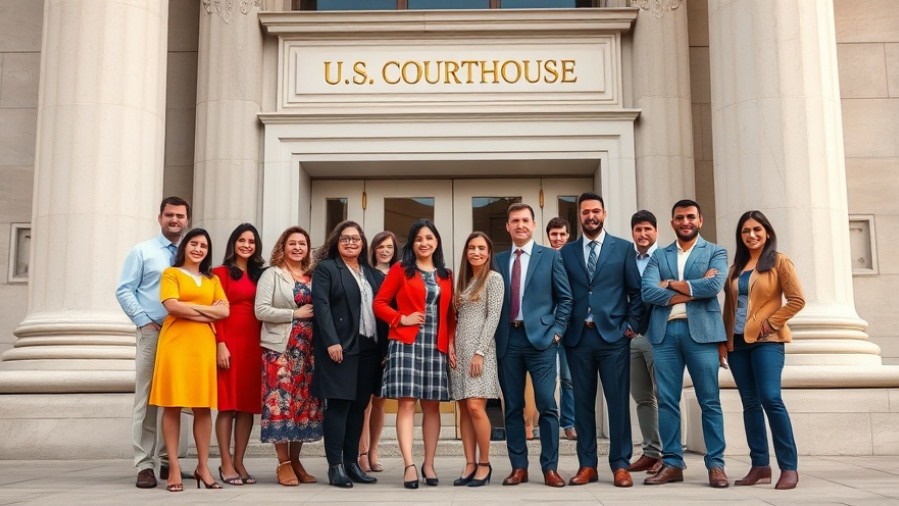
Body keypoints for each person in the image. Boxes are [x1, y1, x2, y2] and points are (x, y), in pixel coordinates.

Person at [641, 199, 730, 488]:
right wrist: (692, 290)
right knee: (667, 401)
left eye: (691, 216)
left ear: (700, 220)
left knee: (710, 401)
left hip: (702, 334)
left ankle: (716, 465)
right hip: (665, 335)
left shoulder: (715, 251)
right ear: (672, 223)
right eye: (680, 218)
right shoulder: (659, 256)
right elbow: (648, 292)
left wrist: (670, 284)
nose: (685, 222)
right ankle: (672, 463)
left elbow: (714, 286)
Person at [560, 193, 643, 488]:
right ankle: (587, 465)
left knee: (617, 402)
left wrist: (631, 326)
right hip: (578, 338)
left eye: (595, 211)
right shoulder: (566, 253)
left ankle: (620, 465)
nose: (591, 216)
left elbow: (637, 291)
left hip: (613, 338)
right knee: (582, 404)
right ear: (579, 216)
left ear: (604, 214)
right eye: (585, 212)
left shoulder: (622, 249)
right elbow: (561, 294)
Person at [723, 211, 805, 490]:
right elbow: (728, 309)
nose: (752, 235)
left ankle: (789, 467)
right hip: (738, 344)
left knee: (771, 398)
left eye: (757, 229)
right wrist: (725, 342)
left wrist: (771, 323)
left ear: (767, 232)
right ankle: (759, 465)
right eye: (745, 231)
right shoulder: (736, 268)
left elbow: (797, 300)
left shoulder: (779, 261)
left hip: (767, 341)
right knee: (749, 404)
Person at [494, 203, 572, 488]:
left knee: (547, 404)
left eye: (525, 220)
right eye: (514, 220)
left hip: (542, 341)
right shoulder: (498, 260)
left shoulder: (550, 257)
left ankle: (550, 467)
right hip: (508, 340)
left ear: (534, 225)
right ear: (508, 226)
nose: (520, 225)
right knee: (513, 407)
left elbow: (565, 298)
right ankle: (519, 468)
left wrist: (557, 332)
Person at [374, 219, 456, 489]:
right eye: (419, 239)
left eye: (429, 238)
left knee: (432, 405)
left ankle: (429, 463)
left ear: (436, 242)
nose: (424, 243)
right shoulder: (400, 269)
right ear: (413, 243)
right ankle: (409, 464)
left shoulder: (446, 275)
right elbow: (379, 304)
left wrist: (451, 344)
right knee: (407, 404)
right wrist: (401, 319)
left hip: (435, 346)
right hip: (406, 344)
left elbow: (450, 315)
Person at [115, 196, 190, 489]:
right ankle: (144, 464)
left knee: (175, 398)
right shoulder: (143, 252)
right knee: (146, 400)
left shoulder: (190, 254)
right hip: (153, 332)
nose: (175, 220)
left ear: (187, 220)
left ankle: (167, 461)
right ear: (160, 218)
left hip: (182, 335)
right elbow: (124, 290)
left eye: (180, 216)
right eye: (169, 215)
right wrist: (143, 320)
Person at [149, 228, 230, 492]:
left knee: (203, 406)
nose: (198, 249)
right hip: (175, 344)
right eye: (193, 244)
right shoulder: (170, 274)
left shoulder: (212, 278)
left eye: (203, 246)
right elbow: (171, 306)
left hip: (203, 346)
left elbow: (225, 310)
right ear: (184, 247)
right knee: (172, 404)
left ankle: (203, 466)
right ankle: (173, 465)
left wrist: (193, 311)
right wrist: (208, 312)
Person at [312, 221, 387, 488]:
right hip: (340, 349)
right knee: (340, 407)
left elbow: (383, 310)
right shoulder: (327, 269)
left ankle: (352, 463)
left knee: (358, 408)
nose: (351, 243)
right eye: (345, 239)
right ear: (336, 241)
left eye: (356, 239)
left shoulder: (373, 274)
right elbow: (321, 307)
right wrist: (331, 342)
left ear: (363, 243)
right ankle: (335, 467)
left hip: (369, 349)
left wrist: (386, 349)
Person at [254, 226, 323, 487]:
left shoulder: (311, 277)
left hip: (308, 351)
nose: (297, 248)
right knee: (281, 405)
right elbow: (260, 310)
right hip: (280, 350)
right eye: (292, 243)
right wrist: (294, 314)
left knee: (302, 407)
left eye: (302, 244)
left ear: (307, 249)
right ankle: (283, 464)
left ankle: (296, 461)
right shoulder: (272, 274)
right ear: (282, 247)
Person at [212, 223, 265, 486]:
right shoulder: (219, 273)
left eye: (252, 241)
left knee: (246, 408)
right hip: (229, 342)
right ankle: (224, 461)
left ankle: (240, 460)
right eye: (242, 240)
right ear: (233, 243)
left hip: (254, 344)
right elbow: (215, 310)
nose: (246, 245)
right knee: (228, 405)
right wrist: (220, 343)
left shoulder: (259, 276)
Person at [451, 232, 504, 487]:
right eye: (471, 247)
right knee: (463, 408)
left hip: (480, 352)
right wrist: (451, 347)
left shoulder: (494, 279)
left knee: (475, 406)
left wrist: (480, 352)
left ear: (489, 252)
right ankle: (469, 463)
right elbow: (456, 320)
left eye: (481, 248)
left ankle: (485, 463)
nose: (476, 252)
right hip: (460, 352)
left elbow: (493, 318)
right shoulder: (464, 282)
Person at [358, 230, 399, 474]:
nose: (385, 250)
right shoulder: (365, 273)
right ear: (373, 249)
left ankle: (374, 449)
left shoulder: (399, 273)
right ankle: (361, 452)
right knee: (365, 402)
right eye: (381, 246)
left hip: (390, 341)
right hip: (367, 340)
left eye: (390, 247)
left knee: (380, 401)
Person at [627, 210, 664, 475]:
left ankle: (671, 453)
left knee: (665, 396)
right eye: (638, 230)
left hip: (658, 336)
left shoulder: (666, 258)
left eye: (647, 229)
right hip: (631, 339)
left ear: (656, 231)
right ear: (633, 233)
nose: (643, 234)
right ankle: (651, 452)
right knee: (642, 398)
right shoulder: (626, 259)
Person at [545, 217, 576, 441]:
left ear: (568, 236)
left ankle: (569, 423)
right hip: (546, 328)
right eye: (554, 235)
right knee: (547, 379)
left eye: (562, 234)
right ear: (548, 236)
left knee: (568, 378)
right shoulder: (543, 260)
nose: (558, 239)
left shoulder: (575, 261)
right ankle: (547, 422)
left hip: (570, 328)